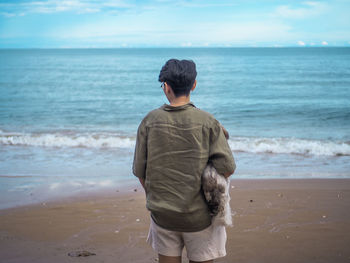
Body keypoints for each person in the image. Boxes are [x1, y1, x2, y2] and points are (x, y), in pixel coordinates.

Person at [133, 59, 236, 263]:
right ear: (194, 85)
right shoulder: (208, 122)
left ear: (166, 87)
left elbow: (140, 171)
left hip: (162, 215)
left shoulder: (149, 121)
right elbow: (227, 168)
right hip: (200, 217)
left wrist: (157, 198)